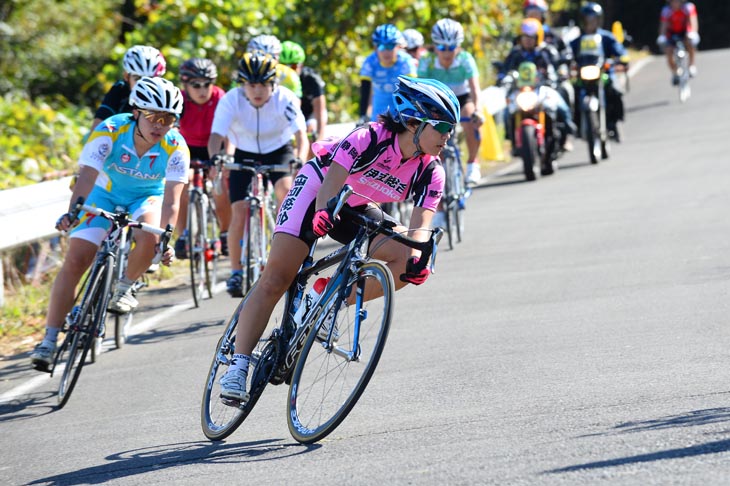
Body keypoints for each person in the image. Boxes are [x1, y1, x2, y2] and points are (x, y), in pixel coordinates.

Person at [217, 75, 459, 403]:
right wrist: (322, 212)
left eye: (451, 129)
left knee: (406, 259)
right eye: (443, 127)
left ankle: (326, 300)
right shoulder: (369, 137)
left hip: (357, 206)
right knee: (277, 277)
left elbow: (421, 227)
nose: (448, 136)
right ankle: (238, 365)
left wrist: (420, 260)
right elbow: (331, 181)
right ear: (414, 121)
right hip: (318, 191)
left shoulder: (431, 171)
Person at [30, 77, 189, 370]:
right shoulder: (110, 130)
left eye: (167, 119)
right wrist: (73, 213)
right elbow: (87, 177)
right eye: (153, 116)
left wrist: (166, 241)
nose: (159, 125)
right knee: (77, 258)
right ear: (137, 112)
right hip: (103, 193)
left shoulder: (176, 145)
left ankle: (125, 286)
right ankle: (49, 341)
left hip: (146, 197)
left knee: (150, 238)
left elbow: (171, 201)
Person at [208, 52, 309, 298]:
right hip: (244, 152)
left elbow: (301, 137)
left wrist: (299, 160)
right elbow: (216, 137)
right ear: (243, 85)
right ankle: (236, 272)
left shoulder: (285, 98)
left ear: (273, 83)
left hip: (279, 149)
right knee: (240, 212)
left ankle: (287, 245)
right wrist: (216, 159)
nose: (257, 91)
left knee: (286, 192)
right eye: (251, 85)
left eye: (263, 84)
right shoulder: (231, 100)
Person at [173, 58, 232, 259]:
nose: (202, 90)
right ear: (185, 85)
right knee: (183, 184)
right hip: (187, 148)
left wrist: (227, 158)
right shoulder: (179, 101)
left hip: (213, 147)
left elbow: (229, 133)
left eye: (207, 84)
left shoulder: (220, 99)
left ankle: (225, 233)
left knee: (220, 186)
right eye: (196, 85)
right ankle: (183, 236)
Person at [418, 18, 483, 186]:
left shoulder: (465, 59)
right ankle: (437, 174)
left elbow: (475, 88)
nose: (447, 53)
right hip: (438, 101)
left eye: (452, 48)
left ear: (458, 46)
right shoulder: (427, 60)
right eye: (441, 48)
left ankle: (472, 163)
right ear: (434, 46)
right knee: (431, 135)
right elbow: (421, 90)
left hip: (461, 97)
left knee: (472, 119)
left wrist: (478, 110)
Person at [500, 19, 575, 151]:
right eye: (524, 37)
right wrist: (502, 78)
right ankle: (512, 141)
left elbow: (556, 67)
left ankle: (567, 133)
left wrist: (558, 75)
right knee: (507, 112)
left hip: (543, 89)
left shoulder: (547, 51)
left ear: (538, 37)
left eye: (531, 37)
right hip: (521, 91)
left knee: (561, 107)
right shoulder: (515, 53)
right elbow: (505, 70)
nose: (527, 40)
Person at [569, 2, 629, 141]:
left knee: (614, 90)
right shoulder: (576, 41)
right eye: (587, 20)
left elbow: (620, 52)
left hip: (604, 74)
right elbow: (566, 55)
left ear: (599, 20)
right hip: (583, 77)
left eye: (593, 19)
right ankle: (576, 127)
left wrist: (621, 59)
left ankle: (614, 123)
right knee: (573, 95)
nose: (590, 23)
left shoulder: (607, 37)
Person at [90, 45, 166, 132]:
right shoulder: (119, 90)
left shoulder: (166, 96)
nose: (145, 85)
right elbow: (98, 126)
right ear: (126, 76)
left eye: (151, 79)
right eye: (137, 78)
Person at [358, 24, 417, 124]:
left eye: (390, 46)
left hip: (402, 117)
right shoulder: (370, 62)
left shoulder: (406, 62)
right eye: (381, 46)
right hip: (378, 118)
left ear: (398, 46)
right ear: (375, 47)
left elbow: (413, 93)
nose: (386, 51)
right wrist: (362, 115)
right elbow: (365, 91)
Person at [280, 40, 328, 143]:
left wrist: (319, 137)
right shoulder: (273, 78)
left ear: (301, 65)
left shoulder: (311, 78)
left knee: (311, 133)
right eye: (284, 66)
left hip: (308, 114)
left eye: (293, 66)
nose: (289, 71)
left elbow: (320, 110)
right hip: (285, 114)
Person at [657, 0, 699, 85]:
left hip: (685, 32)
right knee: (668, 51)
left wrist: (693, 32)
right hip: (672, 33)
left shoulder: (688, 8)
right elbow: (663, 25)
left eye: (677, 1)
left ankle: (691, 65)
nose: (675, 3)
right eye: (673, 1)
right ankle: (675, 71)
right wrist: (662, 36)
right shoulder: (666, 10)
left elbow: (693, 22)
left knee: (690, 43)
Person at [247, 34, 303, 99]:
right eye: (258, 58)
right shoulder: (242, 74)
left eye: (270, 59)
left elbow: (296, 104)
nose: (264, 63)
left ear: (277, 59)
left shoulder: (289, 75)